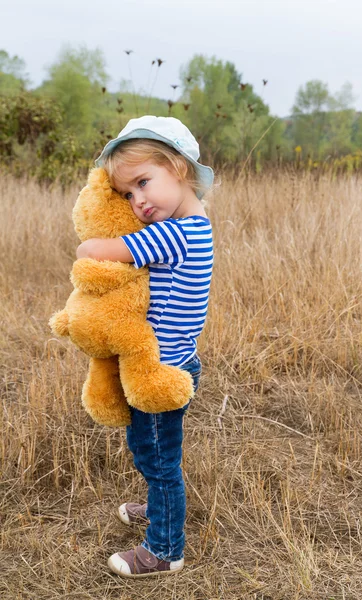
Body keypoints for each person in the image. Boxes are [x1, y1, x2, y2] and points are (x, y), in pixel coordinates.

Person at [76, 115, 214, 578]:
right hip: (176, 361)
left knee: (158, 459)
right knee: (155, 451)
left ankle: (164, 549)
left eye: (142, 183)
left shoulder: (176, 234)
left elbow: (100, 250)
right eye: (128, 195)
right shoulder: (197, 227)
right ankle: (160, 507)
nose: (137, 202)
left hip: (160, 369)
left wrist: (85, 247)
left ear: (178, 166)